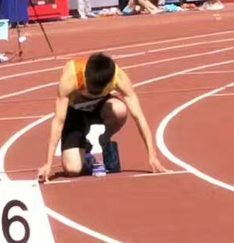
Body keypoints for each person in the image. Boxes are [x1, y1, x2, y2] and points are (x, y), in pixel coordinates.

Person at [37, 53, 167, 181]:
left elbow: (139, 117)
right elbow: (59, 121)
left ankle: (104, 140)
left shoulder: (118, 78)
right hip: (75, 112)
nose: (91, 92)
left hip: (100, 108)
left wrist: (152, 156)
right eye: (90, 89)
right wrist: (48, 163)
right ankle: (85, 151)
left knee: (119, 110)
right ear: (86, 76)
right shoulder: (71, 77)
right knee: (72, 170)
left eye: (97, 91)